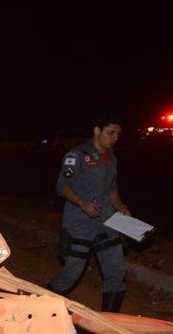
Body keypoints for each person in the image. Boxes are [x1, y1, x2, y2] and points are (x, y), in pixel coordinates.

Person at [46, 112, 132, 311]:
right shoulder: (76, 156)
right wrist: (82, 203)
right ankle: (41, 305)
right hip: (80, 223)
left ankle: (109, 324)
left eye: (118, 134)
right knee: (72, 272)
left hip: (106, 221)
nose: (115, 138)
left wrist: (121, 207)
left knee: (116, 272)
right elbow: (62, 186)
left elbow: (112, 188)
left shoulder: (111, 157)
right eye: (111, 133)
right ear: (97, 131)